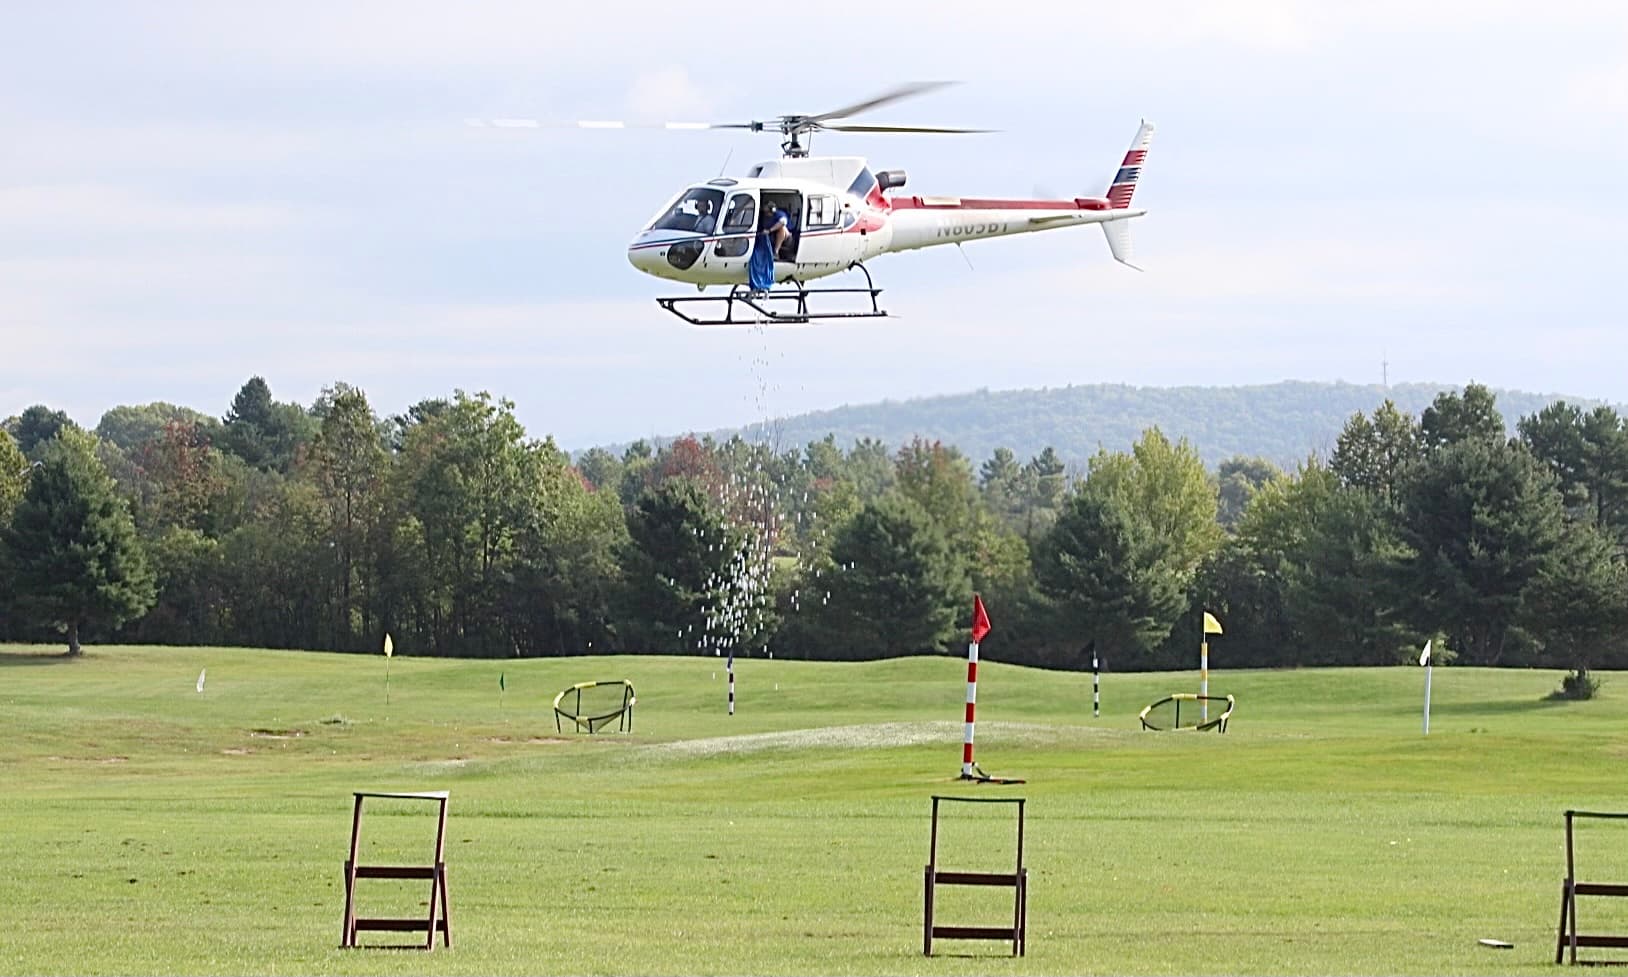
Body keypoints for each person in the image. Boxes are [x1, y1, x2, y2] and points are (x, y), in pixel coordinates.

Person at [748, 200, 789, 294]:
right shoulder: (763, 217)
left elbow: (783, 222)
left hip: (783, 236)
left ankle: (776, 252)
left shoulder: (779, 214)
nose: (766, 213)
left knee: (782, 229)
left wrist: (770, 230)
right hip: (769, 237)